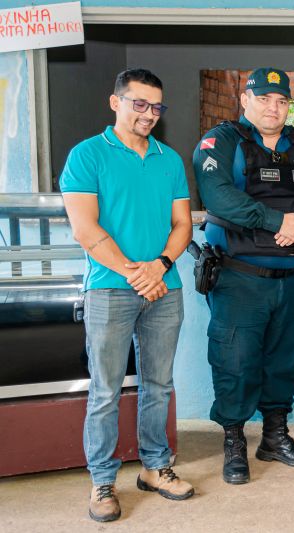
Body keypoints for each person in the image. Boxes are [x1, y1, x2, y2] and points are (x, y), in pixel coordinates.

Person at [61, 68, 194, 522]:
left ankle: (156, 467)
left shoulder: (169, 159)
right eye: (139, 104)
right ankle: (102, 481)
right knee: (106, 391)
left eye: (156, 107)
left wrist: (160, 266)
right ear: (115, 102)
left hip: (165, 288)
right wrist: (135, 274)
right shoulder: (87, 155)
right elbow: (85, 228)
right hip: (109, 290)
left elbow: (183, 224)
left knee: (160, 385)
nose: (149, 114)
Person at [193, 67, 294, 485]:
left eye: (281, 101)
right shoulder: (221, 141)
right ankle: (234, 441)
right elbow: (219, 196)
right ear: (245, 100)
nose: (274, 108)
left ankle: (274, 436)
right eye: (264, 99)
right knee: (235, 360)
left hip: (291, 278)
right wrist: (278, 221)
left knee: (287, 357)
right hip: (240, 279)